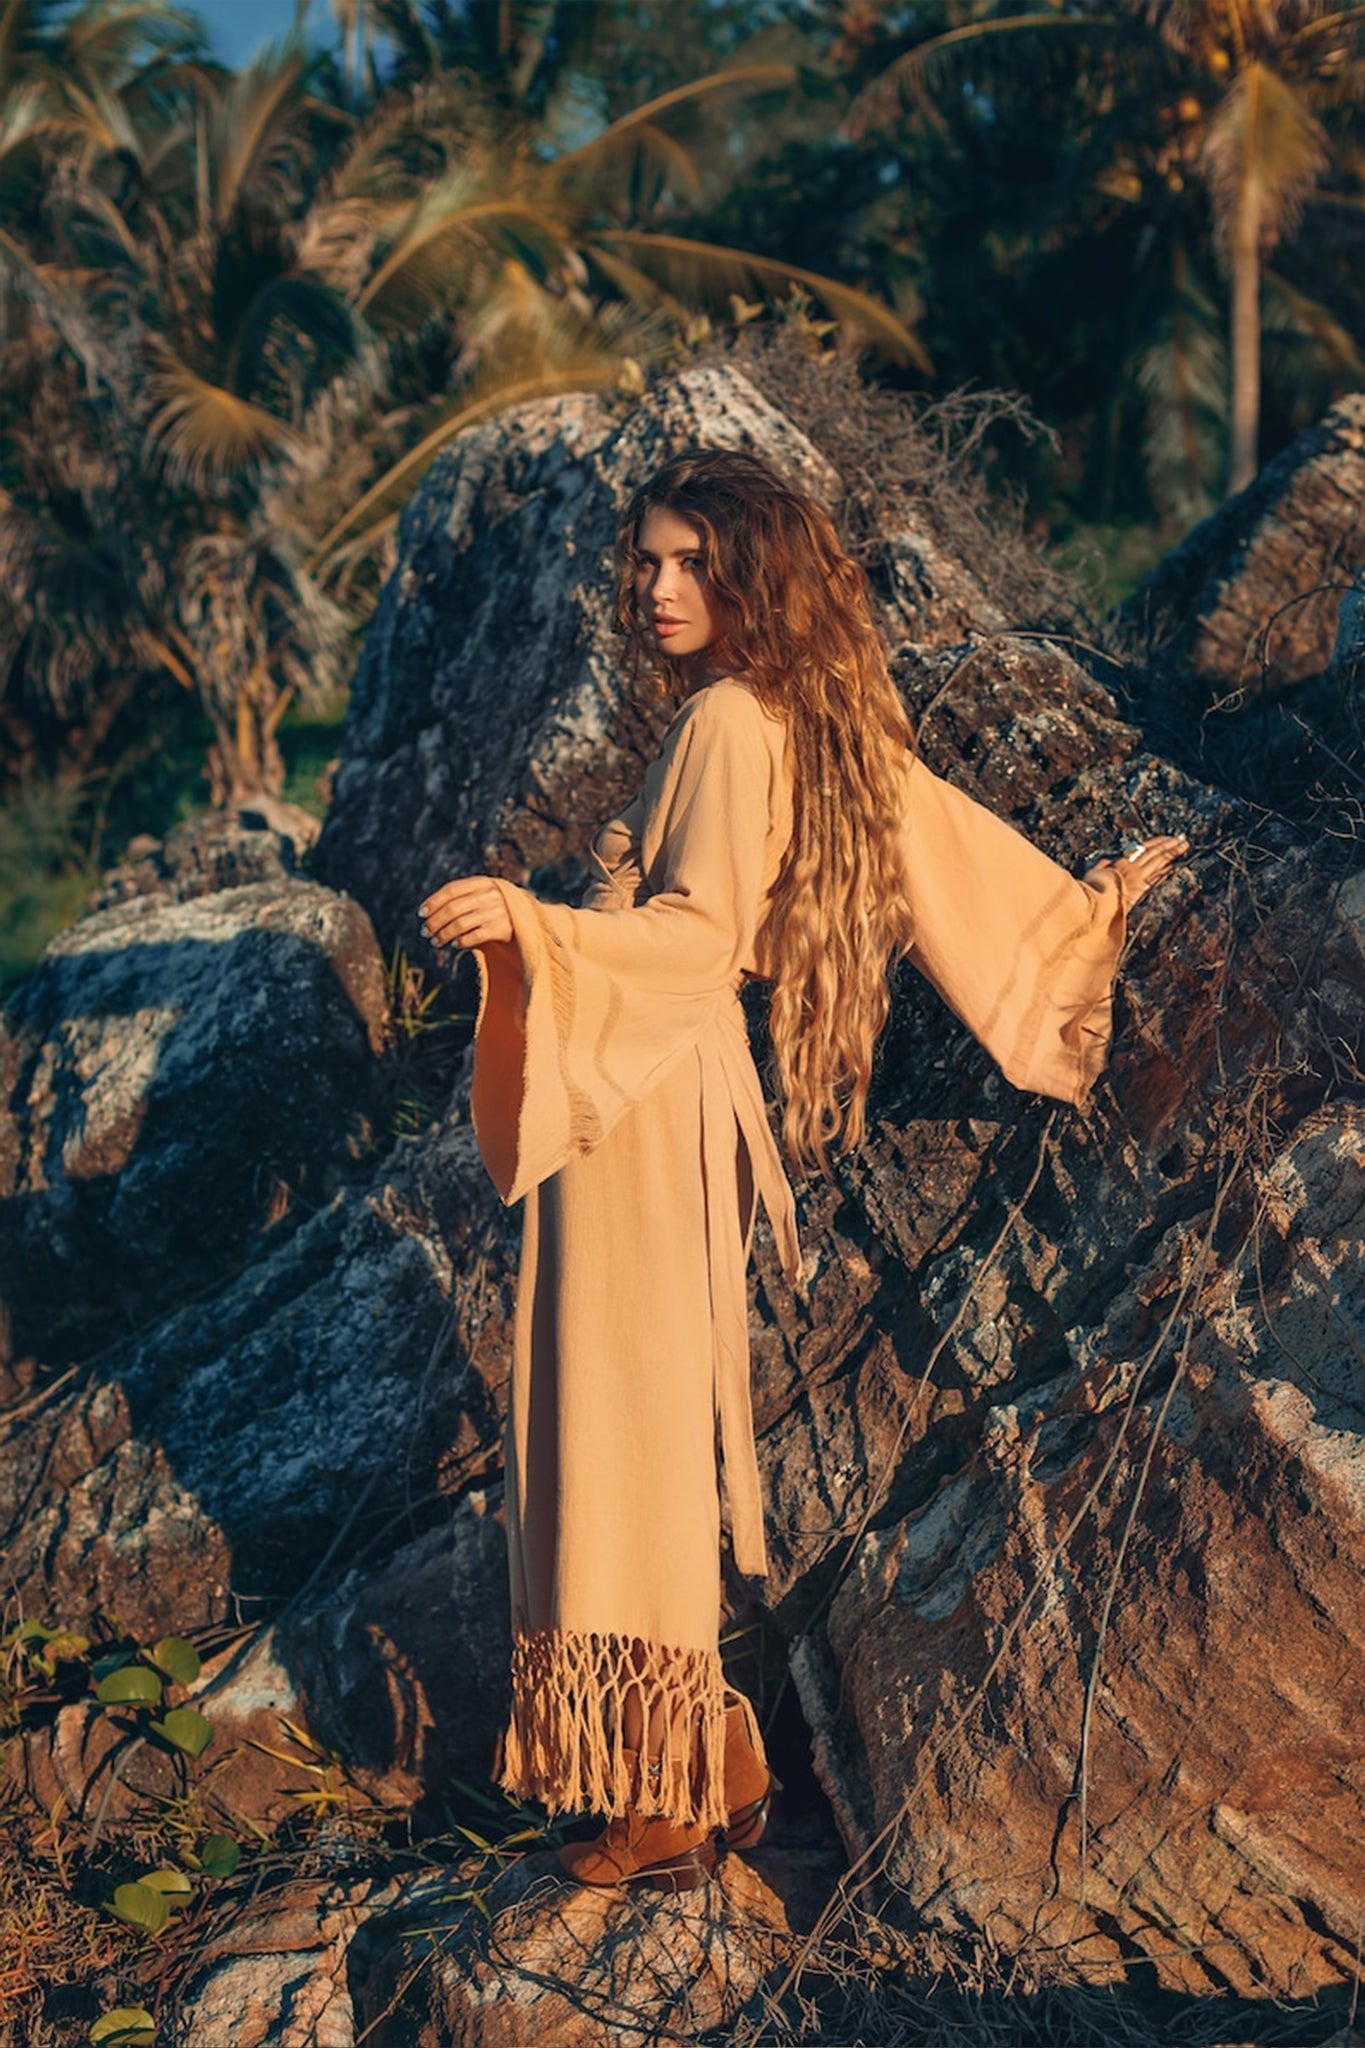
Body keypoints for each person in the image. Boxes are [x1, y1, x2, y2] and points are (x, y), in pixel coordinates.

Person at [418, 446, 1188, 1895]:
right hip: (660, 1096)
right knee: (618, 1421)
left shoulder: (726, 719)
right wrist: (1073, 937)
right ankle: (697, 1759)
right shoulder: (790, 717)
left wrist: (532, 924)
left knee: (614, 1430)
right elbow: (932, 834)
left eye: (687, 563)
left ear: (750, 574)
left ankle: (660, 1780)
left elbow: (701, 939)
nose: (654, 589)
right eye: (644, 561)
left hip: (646, 1098)